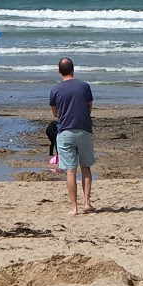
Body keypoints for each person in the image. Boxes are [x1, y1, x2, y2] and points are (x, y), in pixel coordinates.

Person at [49, 57, 95, 215]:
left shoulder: (55, 89)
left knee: (70, 171)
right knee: (86, 168)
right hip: (84, 129)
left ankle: (74, 207)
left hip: (65, 130)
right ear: (73, 69)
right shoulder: (84, 86)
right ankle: (87, 203)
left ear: (59, 71)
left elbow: (55, 113)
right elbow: (89, 108)